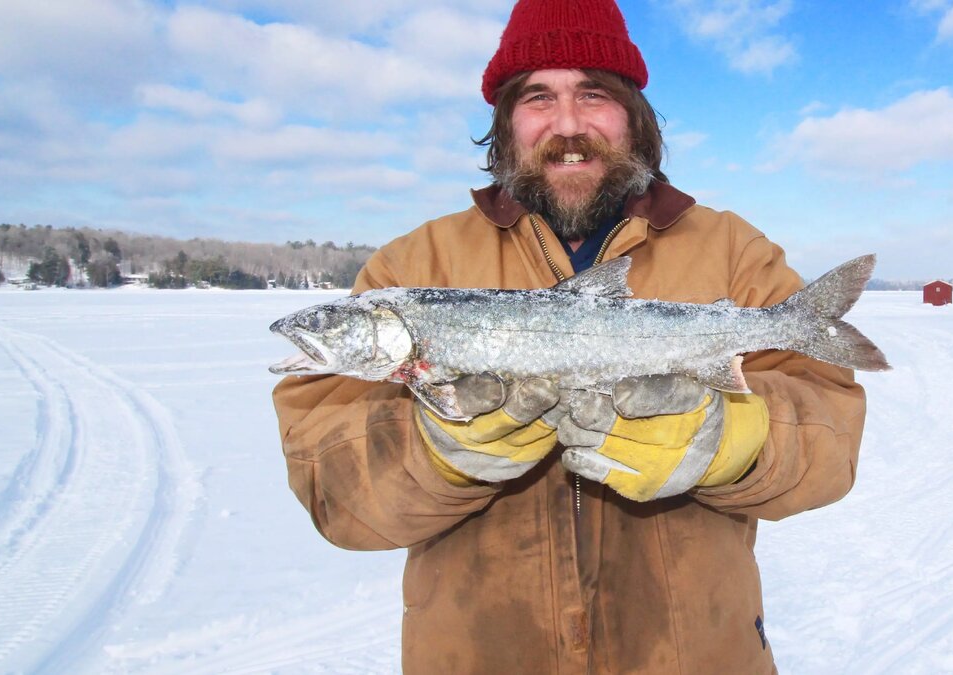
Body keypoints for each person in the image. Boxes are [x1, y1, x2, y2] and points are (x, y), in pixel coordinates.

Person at [271, 0, 867, 672]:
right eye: (537, 97)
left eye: (593, 93)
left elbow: (833, 434)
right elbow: (330, 485)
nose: (568, 124)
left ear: (635, 117)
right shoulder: (411, 267)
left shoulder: (733, 250)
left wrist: (737, 441)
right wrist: (432, 452)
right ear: (505, 123)